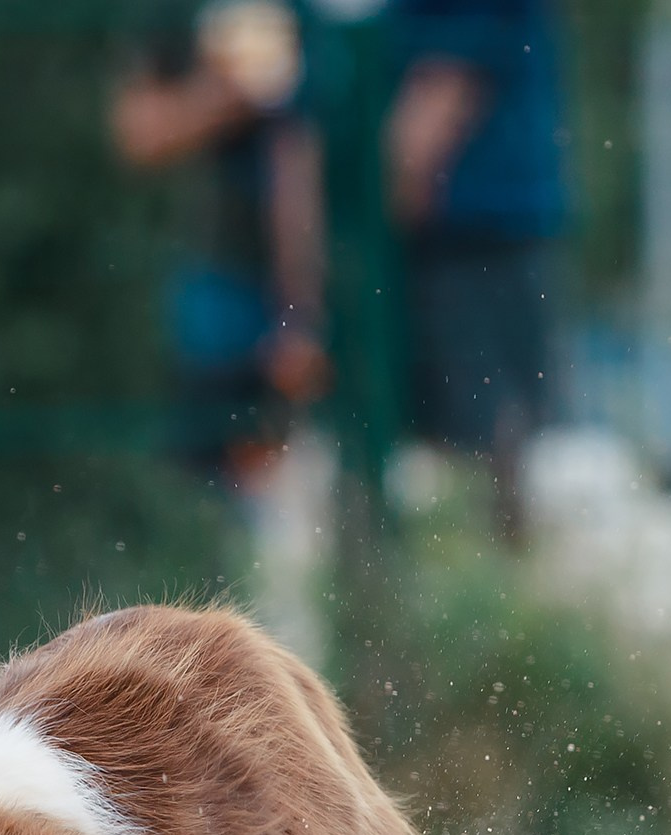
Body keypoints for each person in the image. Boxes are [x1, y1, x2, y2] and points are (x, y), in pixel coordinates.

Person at [110, 0, 334, 661]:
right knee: (218, 530)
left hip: (310, 303)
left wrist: (303, 313)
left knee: (299, 537)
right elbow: (139, 132)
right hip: (222, 305)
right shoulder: (176, 18)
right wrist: (233, 94)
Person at [384, 0, 570, 538]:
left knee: (486, 455)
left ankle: (494, 600)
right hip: (471, 240)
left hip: (473, 245)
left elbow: (431, 116)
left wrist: (334, 257)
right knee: (481, 456)